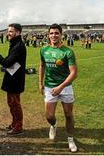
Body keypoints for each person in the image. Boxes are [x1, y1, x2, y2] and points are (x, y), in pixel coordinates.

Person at [39, 23, 78, 152]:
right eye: (51, 33)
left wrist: (61, 87)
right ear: (48, 35)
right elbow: (42, 66)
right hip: (50, 87)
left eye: (56, 33)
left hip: (65, 87)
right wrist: (40, 83)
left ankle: (71, 139)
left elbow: (74, 73)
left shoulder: (68, 51)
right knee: (49, 116)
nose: (53, 35)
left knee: (68, 115)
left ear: (61, 35)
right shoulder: (44, 50)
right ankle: (54, 125)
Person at [0, 23, 26, 135]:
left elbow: (7, 63)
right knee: (11, 103)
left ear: (18, 32)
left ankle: (18, 127)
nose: (8, 33)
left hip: (15, 80)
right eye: (8, 31)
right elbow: (13, 64)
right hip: (13, 77)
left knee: (15, 104)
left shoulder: (18, 46)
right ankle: (14, 123)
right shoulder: (15, 44)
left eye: (11, 31)